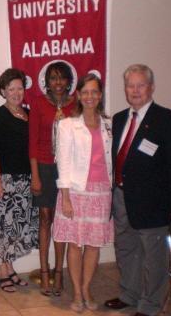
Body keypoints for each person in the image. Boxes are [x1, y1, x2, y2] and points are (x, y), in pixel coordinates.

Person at [104, 64, 171, 316]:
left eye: (141, 85)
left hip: (153, 202)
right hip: (121, 197)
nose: (135, 90)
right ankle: (129, 294)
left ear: (151, 87)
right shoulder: (119, 119)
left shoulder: (168, 120)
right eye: (131, 85)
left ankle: (151, 305)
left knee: (154, 257)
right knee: (126, 249)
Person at [53, 74, 113, 312]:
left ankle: (87, 287)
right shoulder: (68, 125)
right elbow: (63, 163)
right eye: (85, 92)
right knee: (75, 245)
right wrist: (65, 198)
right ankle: (77, 292)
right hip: (76, 192)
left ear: (100, 95)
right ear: (78, 95)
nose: (89, 96)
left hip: (101, 192)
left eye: (94, 92)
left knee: (93, 245)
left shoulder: (108, 124)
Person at [0, 68, 38, 293]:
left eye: (19, 88)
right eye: (11, 88)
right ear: (3, 91)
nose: (16, 92)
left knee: (16, 227)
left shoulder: (28, 114)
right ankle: (1, 271)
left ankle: (10, 267)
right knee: (2, 227)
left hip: (24, 181)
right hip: (3, 180)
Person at [28, 61, 75, 296]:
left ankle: (59, 274)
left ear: (68, 81)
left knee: (62, 222)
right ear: (46, 81)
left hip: (67, 171)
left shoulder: (76, 104)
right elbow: (33, 143)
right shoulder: (38, 104)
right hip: (44, 168)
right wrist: (35, 175)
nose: (57, 83)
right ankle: (45, 273)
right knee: (45, 219)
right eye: (53, 78)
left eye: (62, 78)